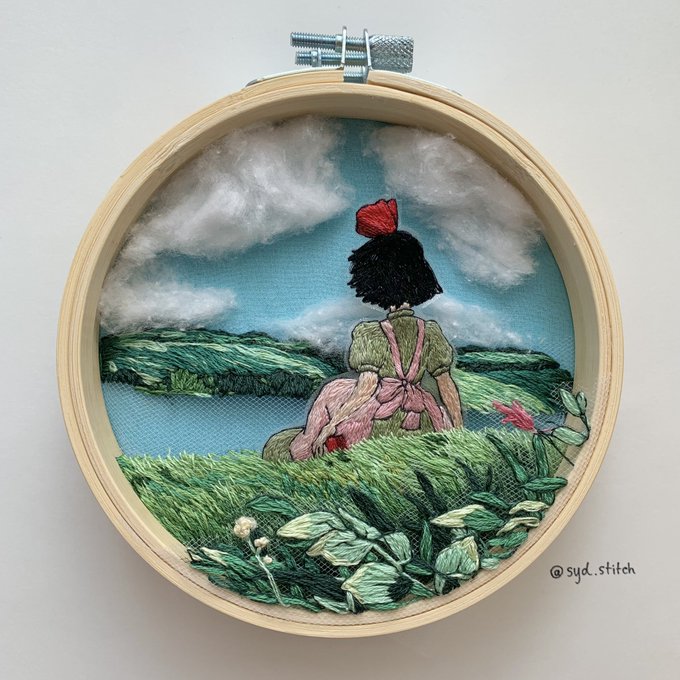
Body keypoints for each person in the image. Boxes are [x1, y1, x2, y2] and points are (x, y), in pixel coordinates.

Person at [262, 198, 463, 461]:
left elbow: (366, 389)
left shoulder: (371, 334)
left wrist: (333, 424)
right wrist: (458, 429)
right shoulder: (431, 332)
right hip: (422, 417)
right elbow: (447, 387)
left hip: (376, 420)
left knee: (334, 391)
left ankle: (309, 443)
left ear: (372, 279)